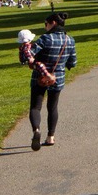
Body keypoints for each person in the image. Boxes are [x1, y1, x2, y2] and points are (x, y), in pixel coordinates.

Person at [21, 12, 77, 151]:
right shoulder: (69, 40)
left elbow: (29, 56)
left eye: (46, 24)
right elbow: (72, 63)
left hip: (39, 77)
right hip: (57, 78)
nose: (45, 26)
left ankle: (36, 130)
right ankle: (50, 137)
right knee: (52, 107)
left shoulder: (45, 38)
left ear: (53, 23)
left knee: (35, 107)